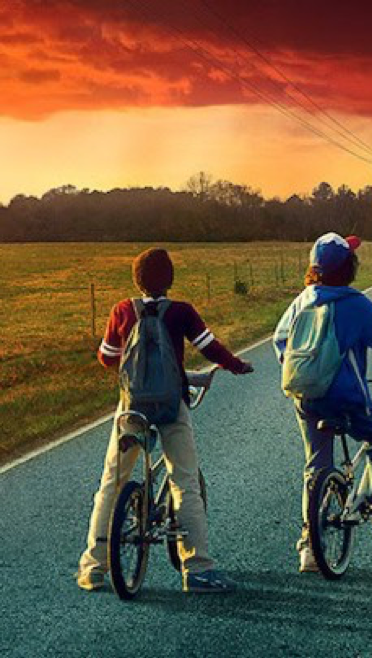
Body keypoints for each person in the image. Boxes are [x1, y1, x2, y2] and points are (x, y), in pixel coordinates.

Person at [77, 248, 253, 593]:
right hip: (173, 406)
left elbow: (106, 357)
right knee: (184, 481)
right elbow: (209, 347)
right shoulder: (182, 312)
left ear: (136, 279)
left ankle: (95, 566)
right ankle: (198, 568)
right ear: (170, 279)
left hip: (133, 408)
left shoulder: (123, 310)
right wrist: (235, 365)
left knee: (112, 481)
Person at [273, 233, 372, 574]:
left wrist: (303, 370)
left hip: (305, 396)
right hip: (346, 398)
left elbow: (280, 340)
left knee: (316, 466)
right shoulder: (354, 304)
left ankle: (309, 548)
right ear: (349, 267)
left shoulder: (302, 300)